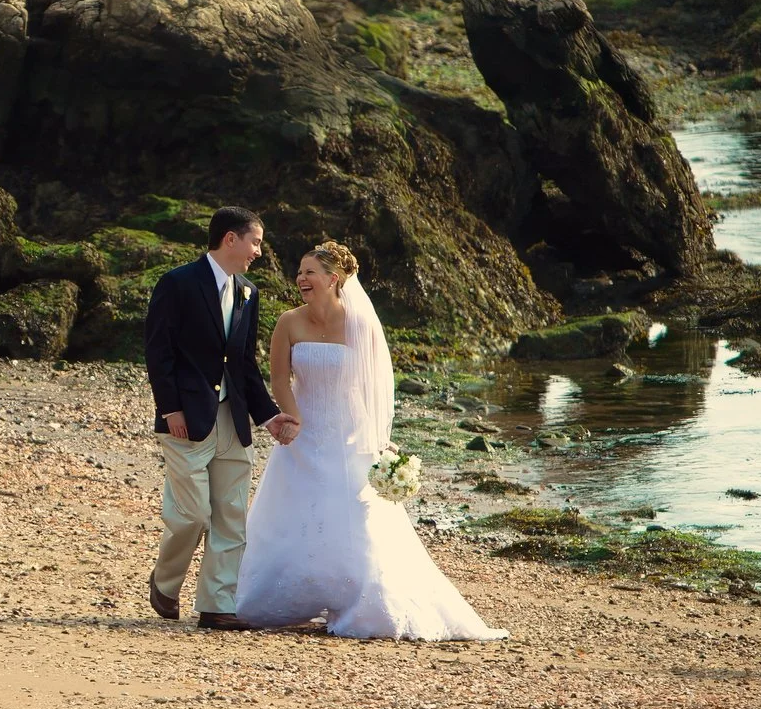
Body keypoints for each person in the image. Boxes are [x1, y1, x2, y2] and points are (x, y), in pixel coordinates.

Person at [234, 240, 508, 641]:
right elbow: (278, 379)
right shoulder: (288, 322)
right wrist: (292, 418)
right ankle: (281, 601)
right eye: (300, 272)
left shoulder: (361, 324)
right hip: (303, 435)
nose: (301, 279)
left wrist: (381, 440)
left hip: (350, 436)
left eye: (310, 272)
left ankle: (357, 603)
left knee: (354, 518)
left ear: (334, 278)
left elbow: (376, 387)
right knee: (294, 515)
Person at [141, 207, 298, 631]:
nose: (259, 252)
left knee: (231, 514)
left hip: (234, 420)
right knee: (193, 514)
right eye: (256, 242)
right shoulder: (176, 284)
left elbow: (244, 365)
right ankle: (165, 581)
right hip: (186, 416)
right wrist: (170, 408)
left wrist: (268, 417)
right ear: (230, 239)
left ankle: (216, 604)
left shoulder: (249, 292)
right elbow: (159, 352)